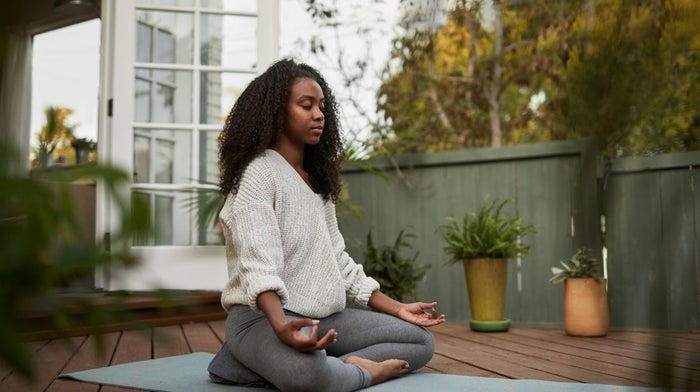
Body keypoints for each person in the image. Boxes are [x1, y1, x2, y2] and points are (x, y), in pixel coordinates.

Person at [208, 58, 445, 392]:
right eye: (306, 105)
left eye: (321, 106)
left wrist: (398, 308)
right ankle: (359, 371)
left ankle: (292, 363)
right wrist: (281, 327)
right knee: (309, 376)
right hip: (264, 319)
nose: (319, 114)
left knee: (420, 342)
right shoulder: (257, 175)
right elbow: (258, 267)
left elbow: (339, 263)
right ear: (277, 112)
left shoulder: (316, 181)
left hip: (326, 318)